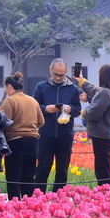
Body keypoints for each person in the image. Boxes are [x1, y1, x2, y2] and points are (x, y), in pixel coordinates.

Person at [33, 58, 81, 193]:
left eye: (62, 75)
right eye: (56, 74)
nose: (59, 78)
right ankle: (37, 198)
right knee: (42, 168)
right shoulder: (41, 87)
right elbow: (34, 106)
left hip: (65, 135)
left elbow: (77, 110)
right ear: (50, 70)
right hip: (45, 134)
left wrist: (70, 109)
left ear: (66, 72)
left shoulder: (73, 89)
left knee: (62, 170)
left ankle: (58, 199)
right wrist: (46, 109)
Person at [0, 72, 44, 199]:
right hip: (32, 142)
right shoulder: (33, 101)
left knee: (13, 177)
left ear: (9, 87)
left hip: (15, 142)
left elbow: (5, 122)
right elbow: (41, 121)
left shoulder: (10, 101)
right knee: (28, 177)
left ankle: (15, 207)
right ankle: (29, 207)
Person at [76, 63, 110, 186]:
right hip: (108, 136)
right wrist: (82, 81)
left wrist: (82, 113)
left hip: (102, 137)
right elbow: (95, 90)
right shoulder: (109, 91)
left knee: (103, 171)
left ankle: (107, 195)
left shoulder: (104, 93)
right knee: (103, 167)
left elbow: (94, 113)